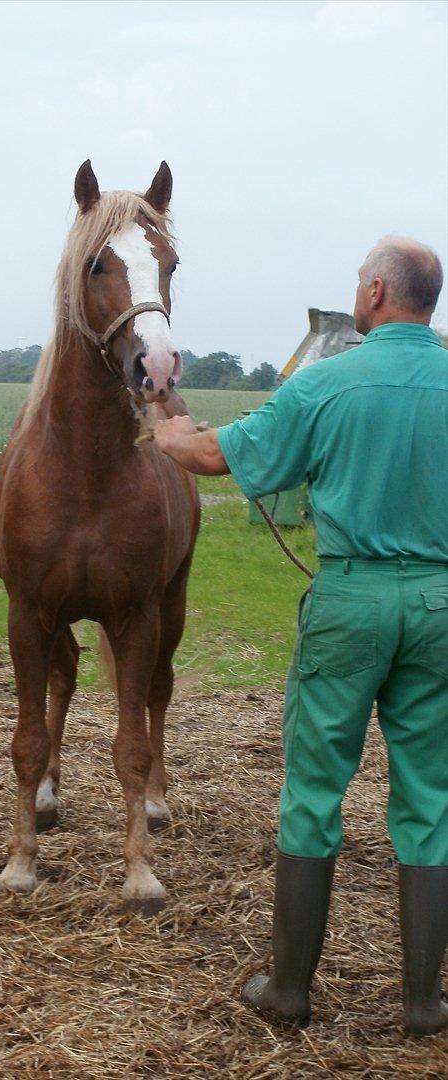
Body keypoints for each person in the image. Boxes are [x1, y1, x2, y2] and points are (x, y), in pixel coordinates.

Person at [154, 236, 448, 1036]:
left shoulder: (327, 383)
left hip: (352, 600)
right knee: (430, 799)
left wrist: (167, 431)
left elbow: (214, 455)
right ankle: (424, 1003)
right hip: (440, 605)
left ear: (380, 292)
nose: (357, 289)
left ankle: (290, 990)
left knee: (316, 791)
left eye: (361, 279)